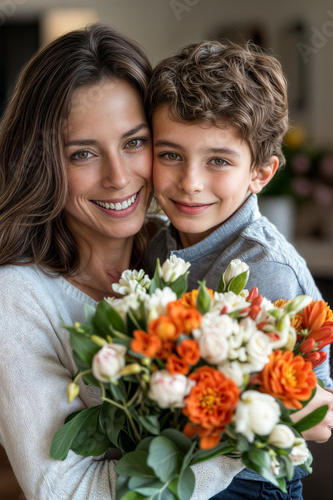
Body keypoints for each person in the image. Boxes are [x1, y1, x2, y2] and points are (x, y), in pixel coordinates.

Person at [0, 25, 245, 500]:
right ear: (42, 163)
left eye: (134, 142)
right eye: (84, 153)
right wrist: (252, 434)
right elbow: (69, 491)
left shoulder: (189, 254)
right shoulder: (9, 297)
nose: (118, 178)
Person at [145, 39, 333, 499]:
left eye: (218, 161)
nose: (190, 182)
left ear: (261, 173)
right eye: (170, 154)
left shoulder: (264, 269)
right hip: (186, 465)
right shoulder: (157, 243)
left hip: (250, 483)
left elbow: (321, 421)